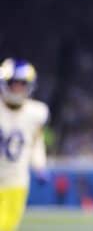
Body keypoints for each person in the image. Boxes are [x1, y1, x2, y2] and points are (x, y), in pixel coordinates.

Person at [0, 58, 49, 231]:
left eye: (22, 84)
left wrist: (40, 165)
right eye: (14, 83)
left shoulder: (36, 112)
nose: (17, 88)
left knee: (6, 226)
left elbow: (36, 143)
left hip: (15, 179)